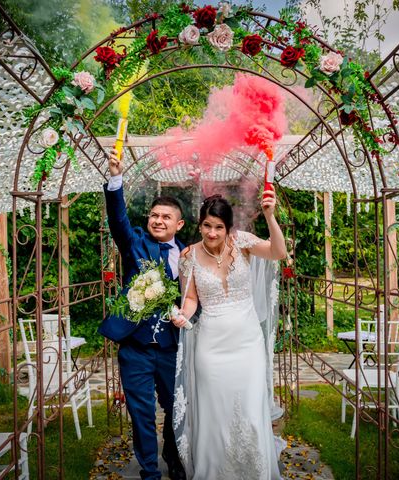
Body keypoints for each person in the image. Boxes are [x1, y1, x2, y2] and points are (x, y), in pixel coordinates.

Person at [171, 192, 287, 479]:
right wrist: (181, 315)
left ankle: (254, 471)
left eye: (219, 227)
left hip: (247, 344)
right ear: (199, 225)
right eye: (207, 225)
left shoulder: (243, 243)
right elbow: (191, 299)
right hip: (211, 346)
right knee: (216, 413)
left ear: (228, 228)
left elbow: (278, 252)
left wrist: (270, 216)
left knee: (248, 410)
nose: (212, 232)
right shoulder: (188, 256)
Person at [98, 149, 187, 480]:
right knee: (141, 413)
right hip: (134, 347)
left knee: (176, 409)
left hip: (171, 348)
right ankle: (149, 472)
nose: (158, 220)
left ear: (179, 224)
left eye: (165, 217)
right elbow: (119, 220)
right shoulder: (135, 243)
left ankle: (173, 456)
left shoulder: (188, 254)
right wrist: (116, 180)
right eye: (154, 215)